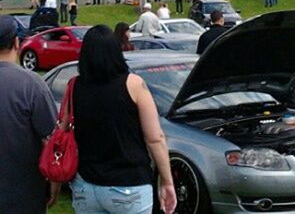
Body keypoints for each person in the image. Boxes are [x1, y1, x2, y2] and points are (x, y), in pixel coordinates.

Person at [61, 25, 176, 213]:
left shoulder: (74, 86)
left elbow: (64, 130)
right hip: (129, 185)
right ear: (116, 51)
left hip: (86, 184)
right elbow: (155, 138)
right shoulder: (134, 84)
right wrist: (167, 180)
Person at [0, 15, 58, 214]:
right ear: (17, 43)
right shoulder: (31, 84)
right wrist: (54, 183)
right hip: (24, 194)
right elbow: (50, 139)